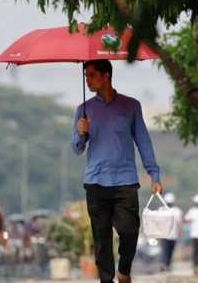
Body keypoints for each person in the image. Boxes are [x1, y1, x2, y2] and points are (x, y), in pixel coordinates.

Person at [71, 59, 163, 283]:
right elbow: (77, 149)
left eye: (92, 75)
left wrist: (154, 174)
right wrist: (80, 132)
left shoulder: (131, 106)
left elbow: (143, 141)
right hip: (95, 182)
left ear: (106, 76)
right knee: (101, 240)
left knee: (130, 230)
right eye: (86, 76)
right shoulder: (83, 110)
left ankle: (124, 271)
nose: (88, 80)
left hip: (125, 181)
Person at [159, 192, 183, 271]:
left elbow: (157, 222)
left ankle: (165, 264)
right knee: (169, 250)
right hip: (171, 234)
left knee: (165, 250)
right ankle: (165, 264)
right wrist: (179, 232)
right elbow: (179, 223)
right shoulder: (177, 211)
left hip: (165, 234)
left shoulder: (161, 209)